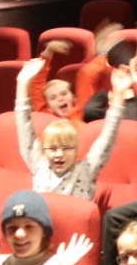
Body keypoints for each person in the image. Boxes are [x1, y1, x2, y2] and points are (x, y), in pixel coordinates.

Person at [15, 55, 129, 201]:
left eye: (66, 149)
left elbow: (109, 134)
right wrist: (22, 83)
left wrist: (119, 93)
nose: (59, 154)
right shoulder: (38, 163)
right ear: (43, 151)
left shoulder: (87, 169)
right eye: (52, 149)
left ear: (76, 150)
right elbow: (23, 123)